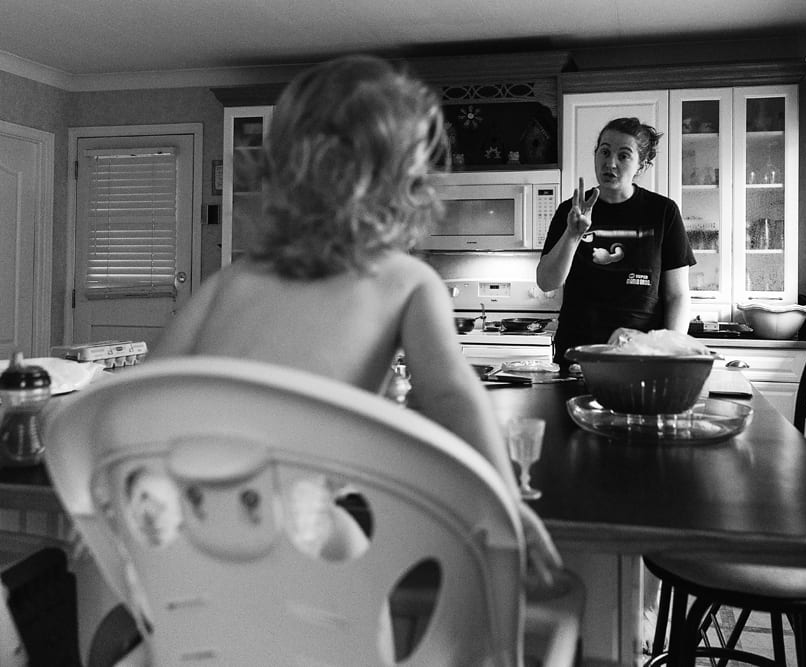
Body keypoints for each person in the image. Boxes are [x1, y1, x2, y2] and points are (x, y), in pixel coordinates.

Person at [152, 55, 561, 582]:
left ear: (282, 177)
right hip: (301, 526)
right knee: (360, 560)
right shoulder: (408, 280)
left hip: (191, 521)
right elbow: (452, 397)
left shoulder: (232, 280)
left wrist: (110, 489)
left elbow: (148, 385)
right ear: (406, 188)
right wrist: (505, 502)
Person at [536, 117, 695, 368]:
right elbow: (546, 282)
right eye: (605, 152)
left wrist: (670, 350)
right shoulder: (572, 211)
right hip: (578, 355)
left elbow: (677, 295)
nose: (610, 163)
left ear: (641, 166)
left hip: (641, 355)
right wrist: (572, 235)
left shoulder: (663, 212)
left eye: (623, 156)